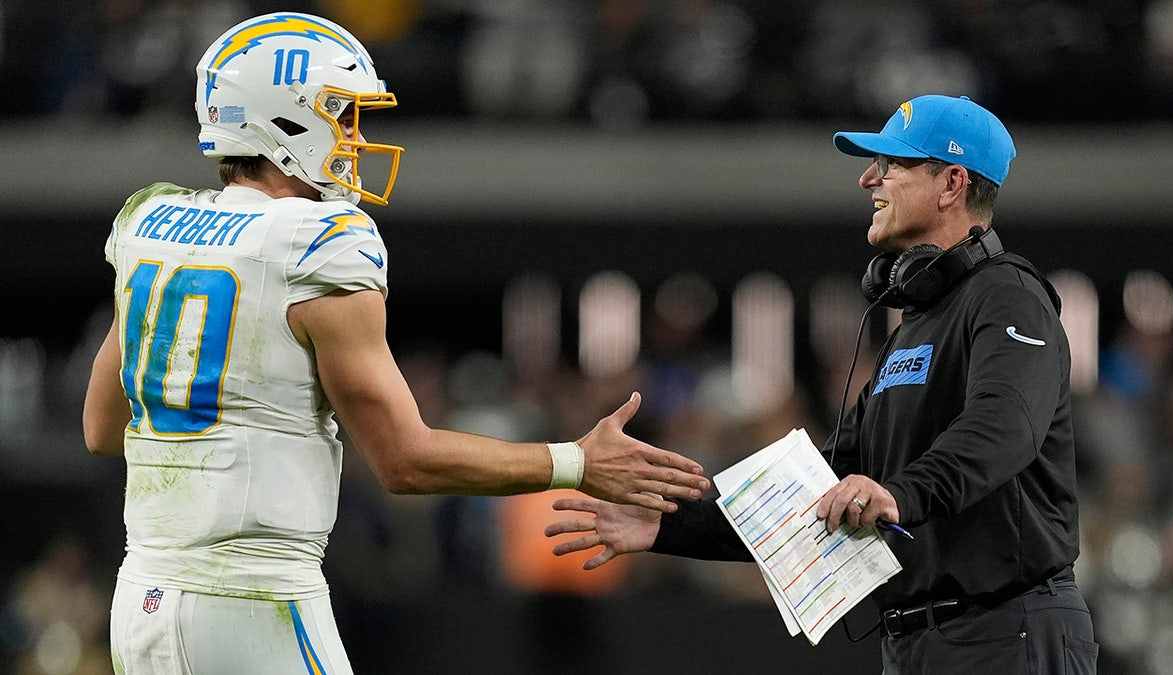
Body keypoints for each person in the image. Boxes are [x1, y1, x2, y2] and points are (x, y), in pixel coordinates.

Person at [80, 12, 710, 674]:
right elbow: (406, 460)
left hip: (142, 595)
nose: (355, 136)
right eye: (342, 115)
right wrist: (577, 461)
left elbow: (102, 426)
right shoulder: (318, 242)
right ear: (283, 118)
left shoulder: (153, 223)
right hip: (252, 596)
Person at [546, 94, 1099, 673]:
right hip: (921, 645)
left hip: (1008, 632)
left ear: (952, 183)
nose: (868, 179)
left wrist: (899, 494)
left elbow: (1006, 425)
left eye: (891, 165)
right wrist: (668, 525)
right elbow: (820, 488)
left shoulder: (1007, 294)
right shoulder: (915, 325)